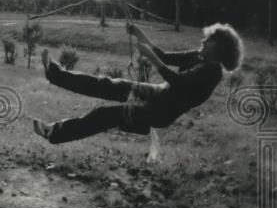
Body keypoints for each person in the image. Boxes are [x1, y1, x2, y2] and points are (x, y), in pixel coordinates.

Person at [32, 21, 243, 144]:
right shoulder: (199, 57)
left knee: (104, 114)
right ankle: (55, 74)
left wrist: (150, 57)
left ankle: (54, 132)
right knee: (106, 84)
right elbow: (164, 55)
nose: (203, 41)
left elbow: (177, 81)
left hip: (161, 111)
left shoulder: (212, 70)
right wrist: (139, 33)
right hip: (158, 93)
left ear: (219, 49)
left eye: (209, 41)